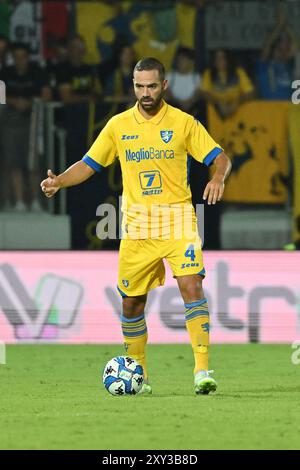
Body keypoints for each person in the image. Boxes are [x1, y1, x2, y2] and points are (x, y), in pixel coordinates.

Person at [40, 57, 231, 395]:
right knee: (131, 303)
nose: (145, 93)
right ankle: (138, 373)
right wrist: (60, 183)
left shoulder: (184, 123)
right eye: (139, 86)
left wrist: (217, 176)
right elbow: (89, 163)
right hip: (136, 227)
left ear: (164, 85)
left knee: (191, 285)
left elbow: (220, 157)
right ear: (133, 85)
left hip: (177, 219)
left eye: (152, 86)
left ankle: (203, 370)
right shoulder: (118, 126)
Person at [0, 42, 51, 212]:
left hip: (33, 121)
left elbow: (46, 94)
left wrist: (29, 103)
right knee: (13, 162)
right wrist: (15, 101)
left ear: (28, 58)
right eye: (16, 58)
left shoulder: (37, 72)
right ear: (12, 58)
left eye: (23, 57)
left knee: (33, 162)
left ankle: (35, 199)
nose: (20, 61)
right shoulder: (5, 73)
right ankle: (18, 201)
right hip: (11, 123)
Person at [200, 49, 255, 119]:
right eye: (216, 58)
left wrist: (237, 101)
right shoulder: (209, 74)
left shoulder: (239, 72)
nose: (219, 60)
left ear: (228, 59)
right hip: (215, 117)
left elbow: (250, 93)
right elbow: (203, 93)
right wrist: (218, 102)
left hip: (240, 115)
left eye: (222, 57)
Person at [256, 9, 298, 100]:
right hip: (270, 109)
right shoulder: (264, 66)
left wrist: (285, 25)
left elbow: (296, 46)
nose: (283, 53)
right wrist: (280, 25)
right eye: (280, 49)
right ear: (273, 50)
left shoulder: (289, 67)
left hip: (287, 109)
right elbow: (267, 45)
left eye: (286, 50)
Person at [166, 47, 201, 113]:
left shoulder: (196, 77)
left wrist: (188, 104)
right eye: (179, 59)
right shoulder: (170, 76)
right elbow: (168, 93)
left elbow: (197, 94)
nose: (180, 61)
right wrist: (180, 104)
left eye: (183, 59)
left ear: (190, 61)